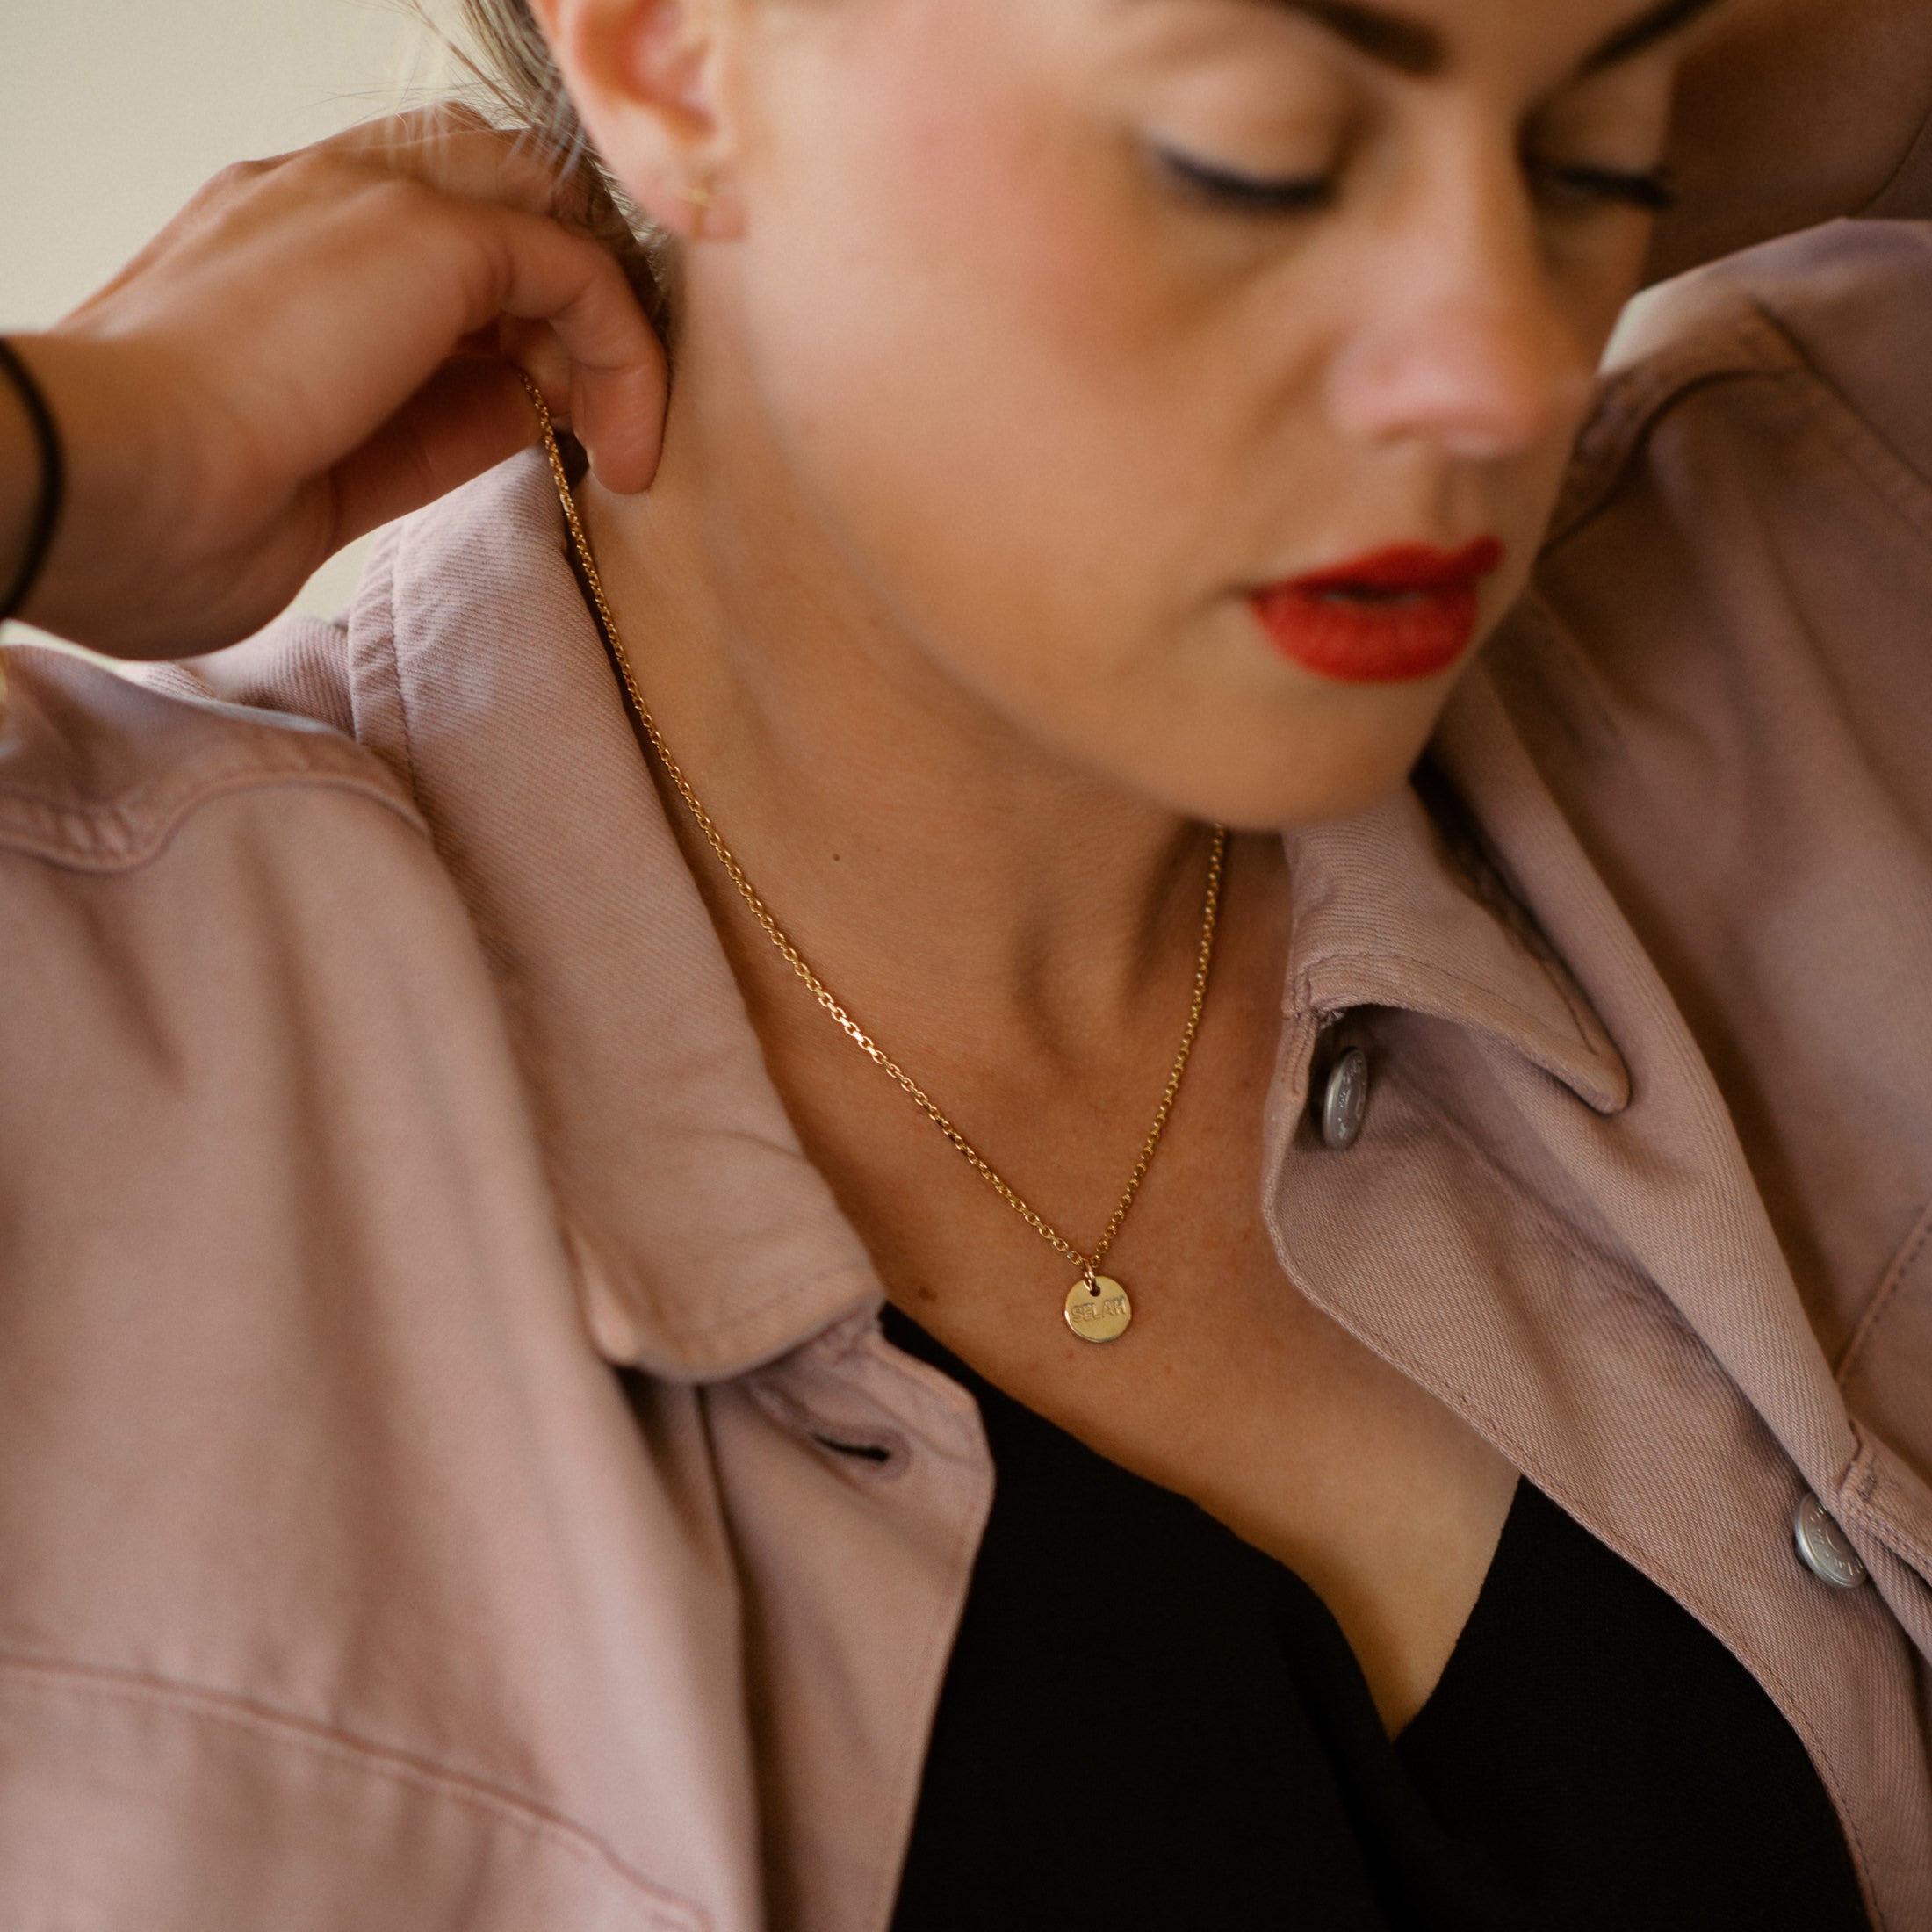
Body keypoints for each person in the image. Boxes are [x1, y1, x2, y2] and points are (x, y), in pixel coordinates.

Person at [1, 0, 1929, 1925]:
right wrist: (56, 448)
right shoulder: (100, 1024)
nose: (1495, 375)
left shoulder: (1807, 564)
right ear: (674, 55)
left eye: (1590, 161)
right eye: (1254, 155)